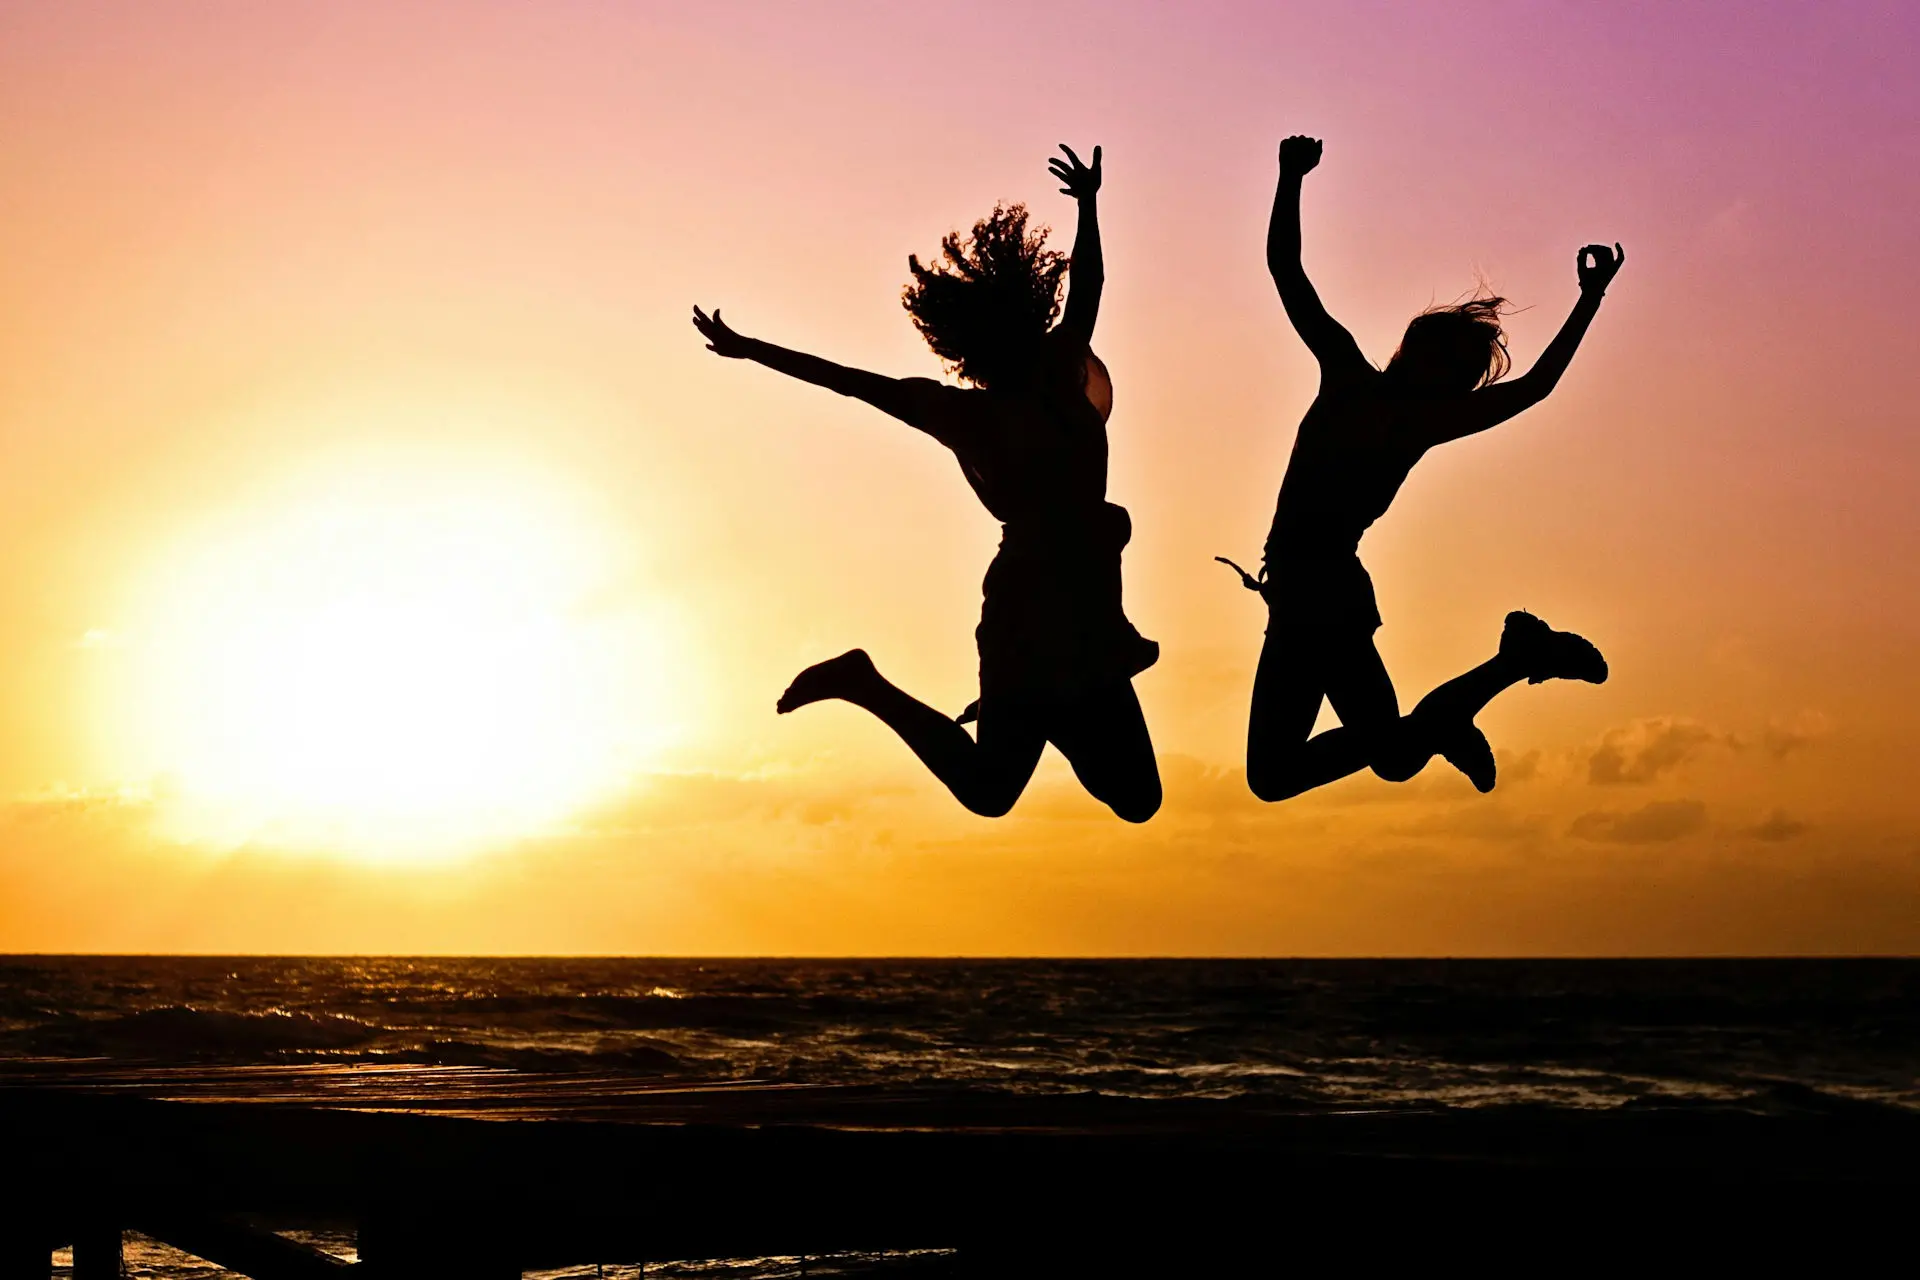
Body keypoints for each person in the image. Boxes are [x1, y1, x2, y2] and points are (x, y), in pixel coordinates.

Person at [692, 145, 1161, 822]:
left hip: (1083, 609)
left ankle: (1038, 708)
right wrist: (751, 349)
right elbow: (850, 383)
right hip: (1032, 613)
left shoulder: (1044, 376)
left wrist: (1089, 204)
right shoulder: (981, 409)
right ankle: (865, 683)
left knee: (1136, 798)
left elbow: (1088, 286)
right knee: (993, 791)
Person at [1231, 134, 1624, 802]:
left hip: (1314, 592)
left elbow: (1285, 271)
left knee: (1310, 768)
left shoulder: (1369, 391)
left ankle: (1499, 674)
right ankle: (1505, 669)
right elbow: (1286, 272)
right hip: (1317, 590)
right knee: (1387, 755)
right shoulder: (1396, 406)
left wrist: (1290, 174)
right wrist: (1590, 297)